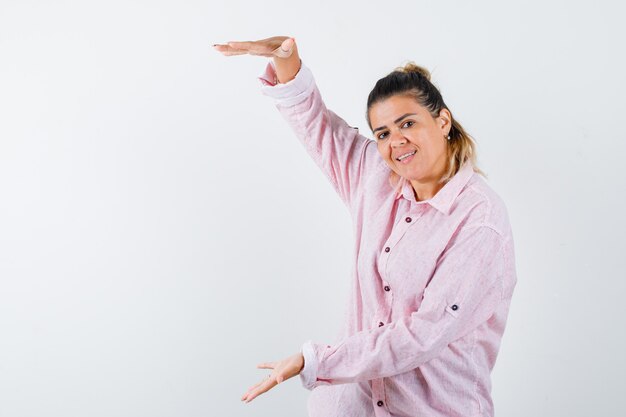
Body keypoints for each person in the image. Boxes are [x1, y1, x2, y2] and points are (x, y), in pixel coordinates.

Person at [213, 36, 517, 417]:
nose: (396, 142)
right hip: (352, 408)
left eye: (408, 123)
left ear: (443, 121)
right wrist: (286, 61)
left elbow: (423, 335)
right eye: (383, 133)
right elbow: (320, 127)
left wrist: (317, 361)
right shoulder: (375, 174)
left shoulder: (480, 221)